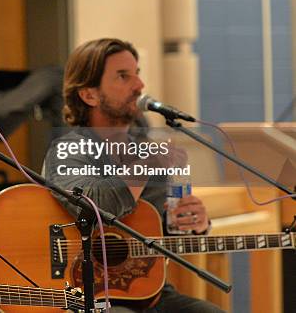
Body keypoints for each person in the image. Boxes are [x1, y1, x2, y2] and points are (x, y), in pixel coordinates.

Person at [43, 38, 223, 313]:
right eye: (123, 76)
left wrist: (191, 225)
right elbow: (98, 207)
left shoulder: (145, 152)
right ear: (89, 95)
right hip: (84, 295)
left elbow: (155, 233)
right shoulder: (70, 149)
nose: (139, 86)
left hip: (148, 292)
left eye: (137, 73)